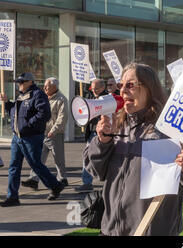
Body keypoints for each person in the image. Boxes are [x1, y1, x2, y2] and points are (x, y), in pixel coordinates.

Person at [84, 62, 183, 236]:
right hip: (112, 229)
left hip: (151, 230)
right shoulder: (116, 125)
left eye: (130, 85)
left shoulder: (169, 127)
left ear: (150, 89)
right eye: (120, 85)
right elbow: (96, 172)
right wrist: (102, 141)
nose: (123, 91)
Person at [0, 73, 65, 207]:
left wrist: (29, 124)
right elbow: (15, 112)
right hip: (17, 137)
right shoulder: (21, 95)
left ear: (30, 82)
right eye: (18, 82)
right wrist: (7, 103)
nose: (19, 84)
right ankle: (12, 197)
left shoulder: (37, 94)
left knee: (36, 164)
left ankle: (55, 185)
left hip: (31, 137)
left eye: (21, 82)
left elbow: (44, 114)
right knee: (14, 167)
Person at [22, 77, 69, 190]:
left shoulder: (61, 99)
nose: (44, 88)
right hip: (41, 133)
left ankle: (62, 178)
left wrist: (53, 130)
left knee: (58, 159)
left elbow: (62, 118)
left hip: (55, 134)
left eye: (47, 86)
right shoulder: (43, 98)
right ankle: (34, 179)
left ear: (54, 87)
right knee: (37, 158)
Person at [76, 78, 108, 192]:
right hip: (92, 131)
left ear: (103, 88)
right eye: (92, 89)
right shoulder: (92, 97)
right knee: (87, 156)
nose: (93, 91)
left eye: (96, 89)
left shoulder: (106, 99)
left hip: (102, 132)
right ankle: (87, 182)